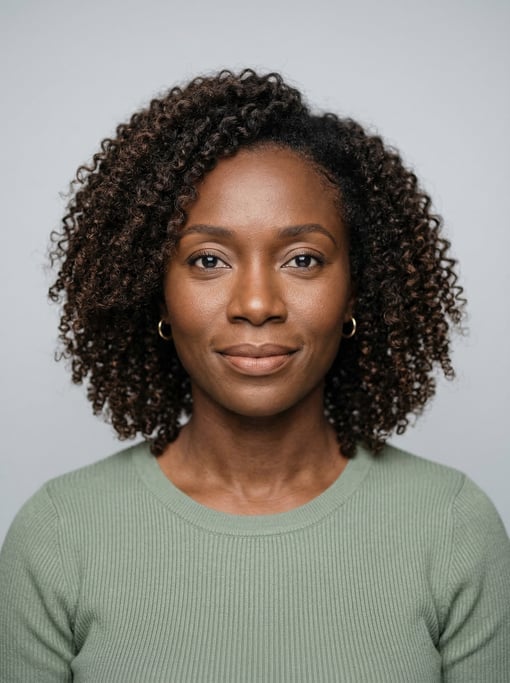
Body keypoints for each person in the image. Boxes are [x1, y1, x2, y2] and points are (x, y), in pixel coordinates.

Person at [0, 69, 509, 682]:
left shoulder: (452, 525)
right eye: (208, 260)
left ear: (356, 291)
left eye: (303, 259)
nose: (257, 303)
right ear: (155, 291)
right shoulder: (60, 534)